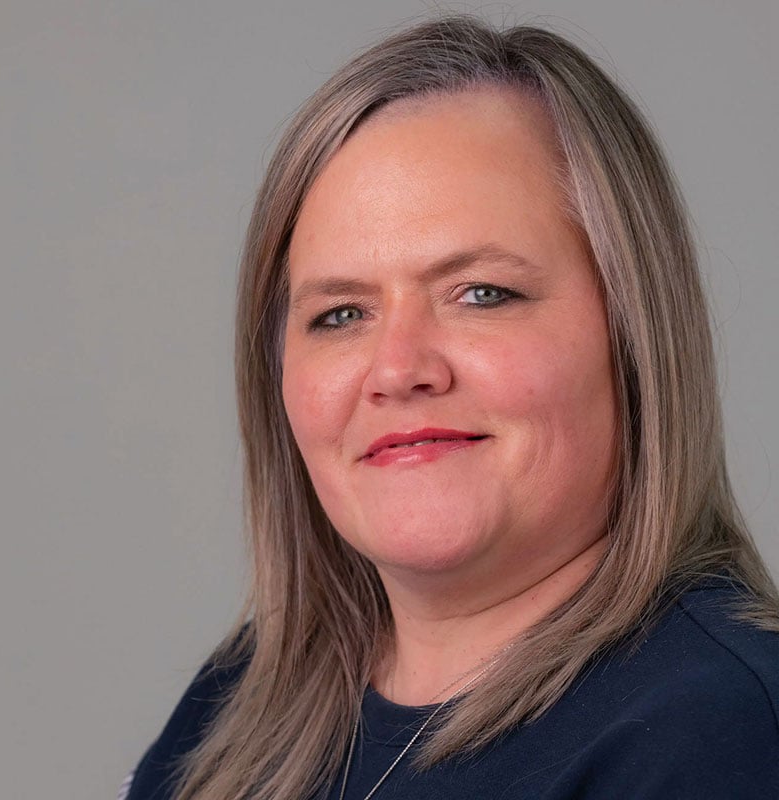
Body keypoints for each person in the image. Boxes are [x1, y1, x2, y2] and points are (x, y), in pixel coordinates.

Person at [124, 15, 779, 800]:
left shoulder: (720, 732)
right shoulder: (239, 706)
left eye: (481, 294)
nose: (398, 369)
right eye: (340, 314)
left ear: (633, 333)